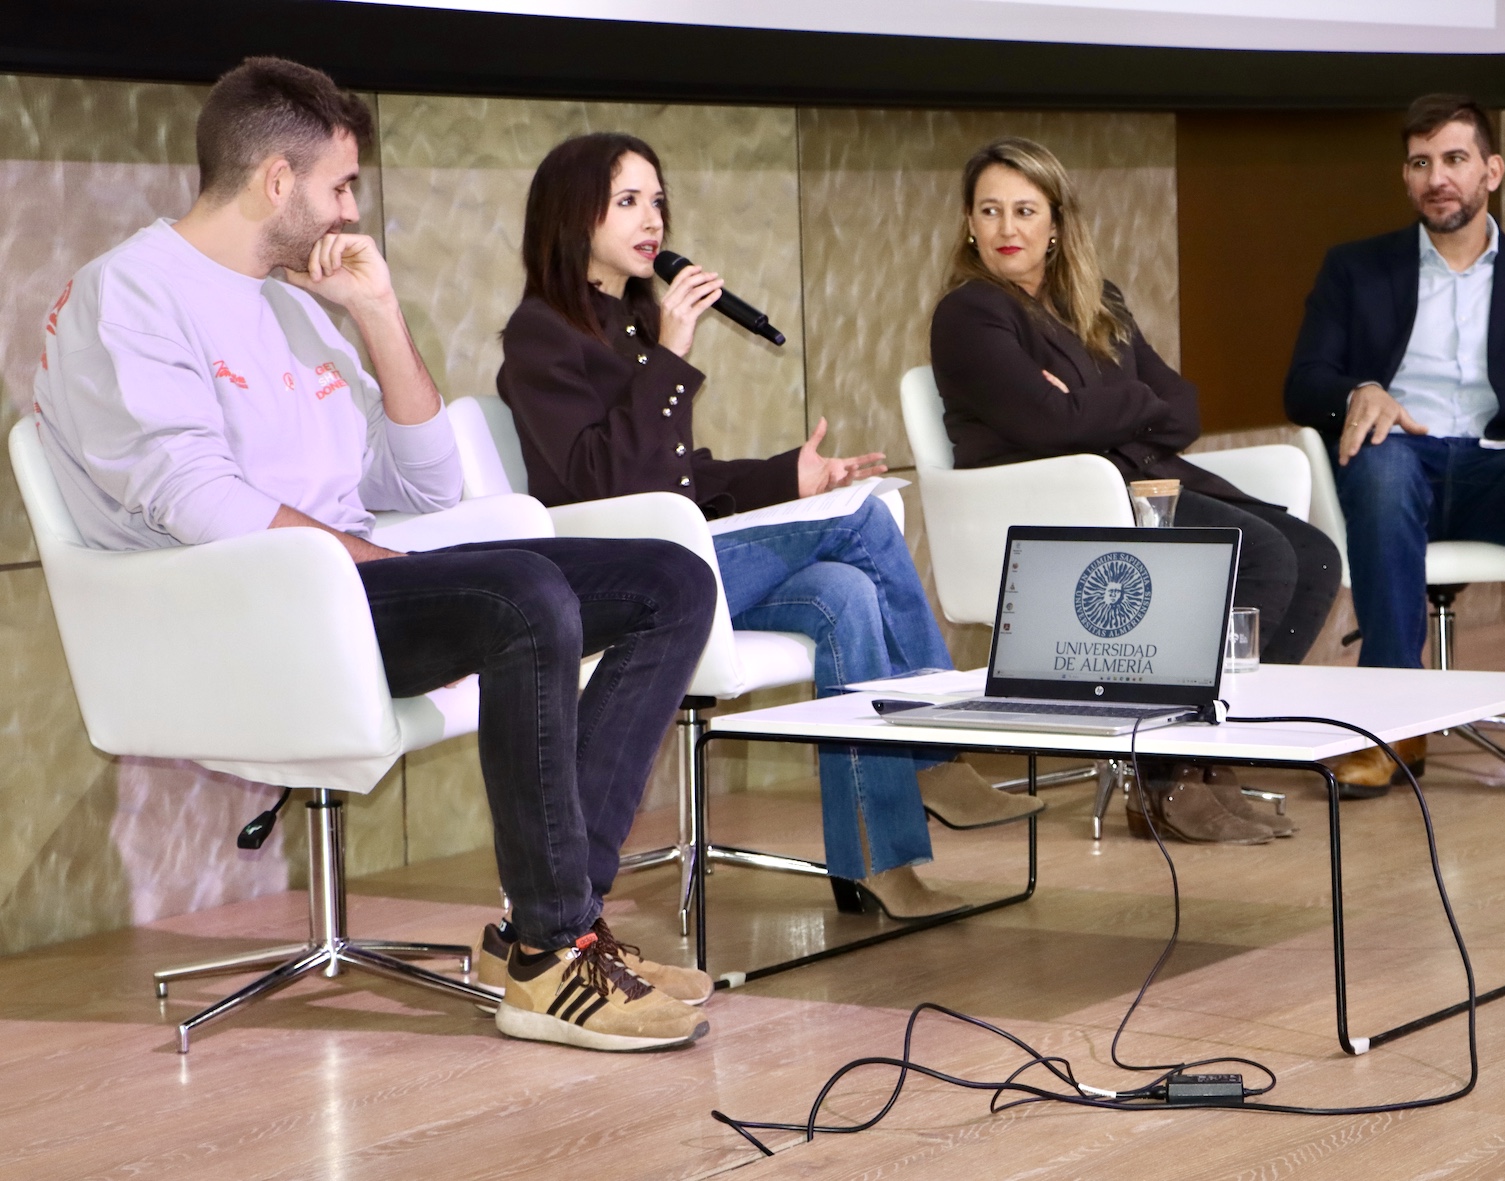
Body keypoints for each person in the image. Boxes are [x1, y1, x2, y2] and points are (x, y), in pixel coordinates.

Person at [33, 57, 723, 1054]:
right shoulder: (131, 293)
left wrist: (378, 313)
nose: (350, 210)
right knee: (524, 592)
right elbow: (196, 500)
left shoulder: (291, 306)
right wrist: (365, 555)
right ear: (279, 181)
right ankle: (549, 950)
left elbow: (425, 486)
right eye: (341, 186)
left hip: (346, 588)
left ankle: (558, 929)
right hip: (245, 612)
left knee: (670, 579)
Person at [496, 133, 1042, 922]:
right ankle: (933, 752)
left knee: (844, 592)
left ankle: (876, 863)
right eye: (627, 202)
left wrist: (790, 476)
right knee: (859, 522)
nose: (653, 219)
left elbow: (679, 477)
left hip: (678, 553)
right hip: (624, 579)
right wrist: (672, 355)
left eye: (657, 201)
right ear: (570, 216)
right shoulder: (541, 333)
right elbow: (601, 483)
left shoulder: (629, 325)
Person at [930, 136, 1340, 845]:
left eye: (1024, 210)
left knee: (1314, 555)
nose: (1006, 229)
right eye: (989, 210)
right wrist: (1125, 398)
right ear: (969, 222)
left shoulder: (1096, 301)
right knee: (1265, 556)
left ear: (1055, 222)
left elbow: (1184, 408)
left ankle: (1213, 758)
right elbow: (1049, 421)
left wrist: (1102, 400)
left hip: (1132, 485)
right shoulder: (971, 315)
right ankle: (1165, 775)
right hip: (1052, 510)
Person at [1285, 93, 1505, 803]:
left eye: (1454, 159)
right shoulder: (1356, 269)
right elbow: (1304, 382)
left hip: (1499, 468)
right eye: (1421, 163)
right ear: (1406, 177)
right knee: (1381, 458)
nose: (1436, 177)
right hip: (1400, 466)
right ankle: (1392, 722)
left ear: (1492, 171)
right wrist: (1360, 390)